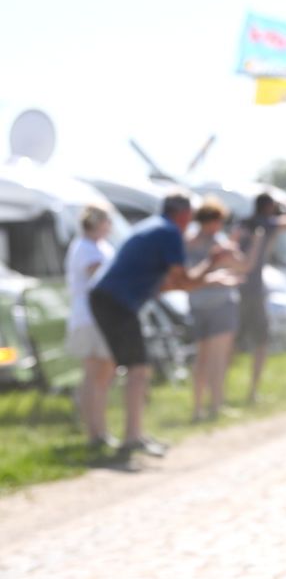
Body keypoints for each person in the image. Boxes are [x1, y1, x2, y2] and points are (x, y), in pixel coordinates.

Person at [89, 192, 232, 463]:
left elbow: (171, 284)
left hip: (108, 300)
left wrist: (209, 277)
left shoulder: (153, 227)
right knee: (138, 369)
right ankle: (132, 438)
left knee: (129, 368)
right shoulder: (169, 233)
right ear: (183, 214)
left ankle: (127, 434)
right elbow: (185, 281)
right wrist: (212, 263)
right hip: (116, 303)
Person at [185, 197, 255, 422]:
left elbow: (241, 266)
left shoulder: (192, 241)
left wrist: (232, 249)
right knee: (211, 359)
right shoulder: (196, 242)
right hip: (215, 306)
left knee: (209, 359)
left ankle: (209, 406)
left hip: (202, 305)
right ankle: (206, 407)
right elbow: (241, 266)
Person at [233, 192, 286, 404]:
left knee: (231, 342)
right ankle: (252, 393)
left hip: (232, 288)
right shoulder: (269, 223)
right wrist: (285, 200)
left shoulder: (243, 222)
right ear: (269, 206)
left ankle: (220, 394)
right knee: (261, 341)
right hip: (253, 290)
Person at [64, 205, 117, 449]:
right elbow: (104, 279)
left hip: (98, 318)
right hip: (91, 318)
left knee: (100, 374)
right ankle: (95, 432)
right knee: (96, 374)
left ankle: (97, 430)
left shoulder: (97, 246)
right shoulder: (85, 247)